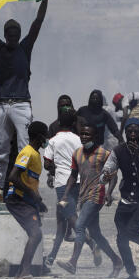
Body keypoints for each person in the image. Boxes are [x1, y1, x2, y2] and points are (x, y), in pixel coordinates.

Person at [0, 0, 53, 198]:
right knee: (1, 151)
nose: (12, 35)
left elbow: (37, 23)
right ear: (5, 34)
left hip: (21, 104)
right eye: (9, 32)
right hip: (1, 106)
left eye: (15, 32)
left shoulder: (25, 47)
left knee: (26, 148)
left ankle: (25, 187)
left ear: (19, 35)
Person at [57, 125, 124, 278]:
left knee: (79, 226)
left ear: (94, 136)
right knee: (96, 234)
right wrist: (65, 195)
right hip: (84, 196)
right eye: (82, 134)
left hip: (97, 194)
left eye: (88, 134)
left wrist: (109, 192)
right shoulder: (77, 153)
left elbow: (113, 175)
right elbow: (73, 175)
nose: (84, 136)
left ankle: (72, 263)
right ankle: (117, 261)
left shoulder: (104, 154)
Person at [102, 118, 139, 279]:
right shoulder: (119, 150)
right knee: (121, 238)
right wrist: (105, 176)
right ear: (125, 133)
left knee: (130, 231)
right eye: (129, 132)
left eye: (136, 131)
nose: (132, 135)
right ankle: (132, 274)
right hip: (127, 198)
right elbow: (109, 168)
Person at [44, 109, 100, 268]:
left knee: (69, 217)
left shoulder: (53, 141)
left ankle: (91, 243)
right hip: (78, 181)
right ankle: (52, 256)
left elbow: (47, 162)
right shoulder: (78, 140)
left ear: (59, 123)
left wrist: (53, 168)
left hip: (63, 184)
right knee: (62, 219)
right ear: (74, 123)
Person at [4, 121, 49, 279]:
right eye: (46, 135)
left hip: (27, 199)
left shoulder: (36, 154)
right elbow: (13, 176)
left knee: (35, 233)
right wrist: (31, 193)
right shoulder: (27, 152)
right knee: (35, 233)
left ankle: (21, 273)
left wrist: (39, 201)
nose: (48, 138)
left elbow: (31, 181)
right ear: (39, 137)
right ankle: (24, 272)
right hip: (17, 198)